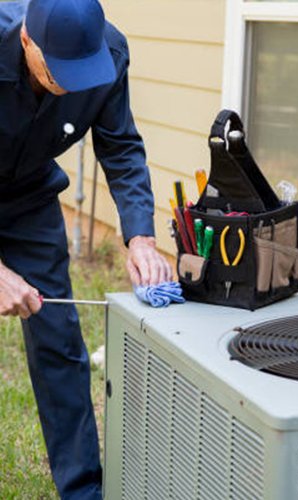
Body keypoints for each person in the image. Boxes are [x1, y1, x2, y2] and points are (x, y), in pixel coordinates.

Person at [0, 0, 172, 498]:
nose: (71, 84)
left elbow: (120, 145)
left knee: (58, 337)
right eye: (59, 70)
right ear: (27, 41)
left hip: (28, 198)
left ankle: (82, 490)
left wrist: (140, 236)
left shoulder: (109, 54)